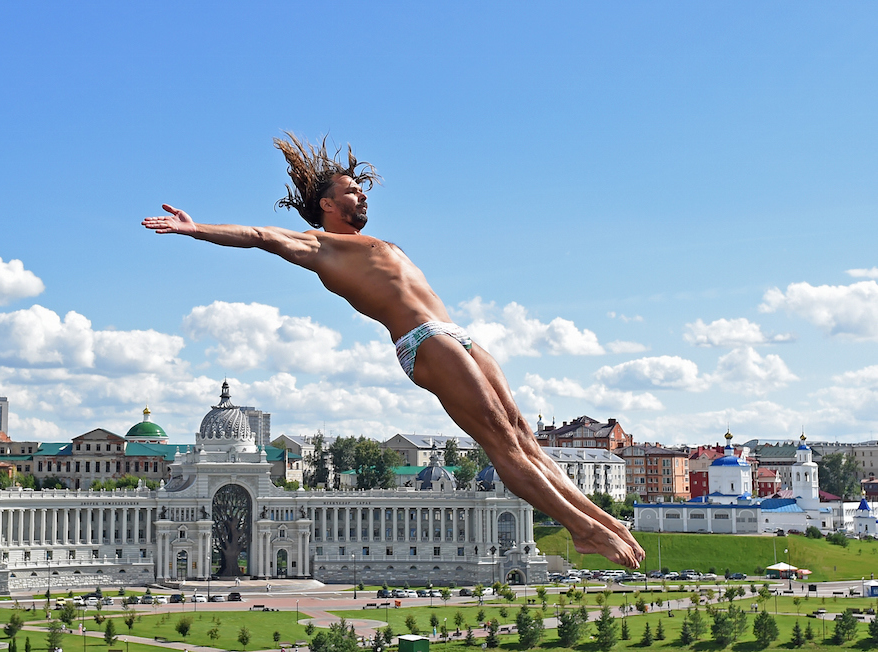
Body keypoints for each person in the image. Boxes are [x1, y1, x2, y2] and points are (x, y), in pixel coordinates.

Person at [142, 134, 645, 569]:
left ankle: (601, 521)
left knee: (525, 438)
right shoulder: (320, 247)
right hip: (423, 341)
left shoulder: (371, 241)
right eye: (350, 191)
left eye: (360, 189)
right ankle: (581, 529)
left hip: (455, 333)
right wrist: (196, 228)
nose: (361, 195)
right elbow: (259, 236)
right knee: (502, 443)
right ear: (327, 206)